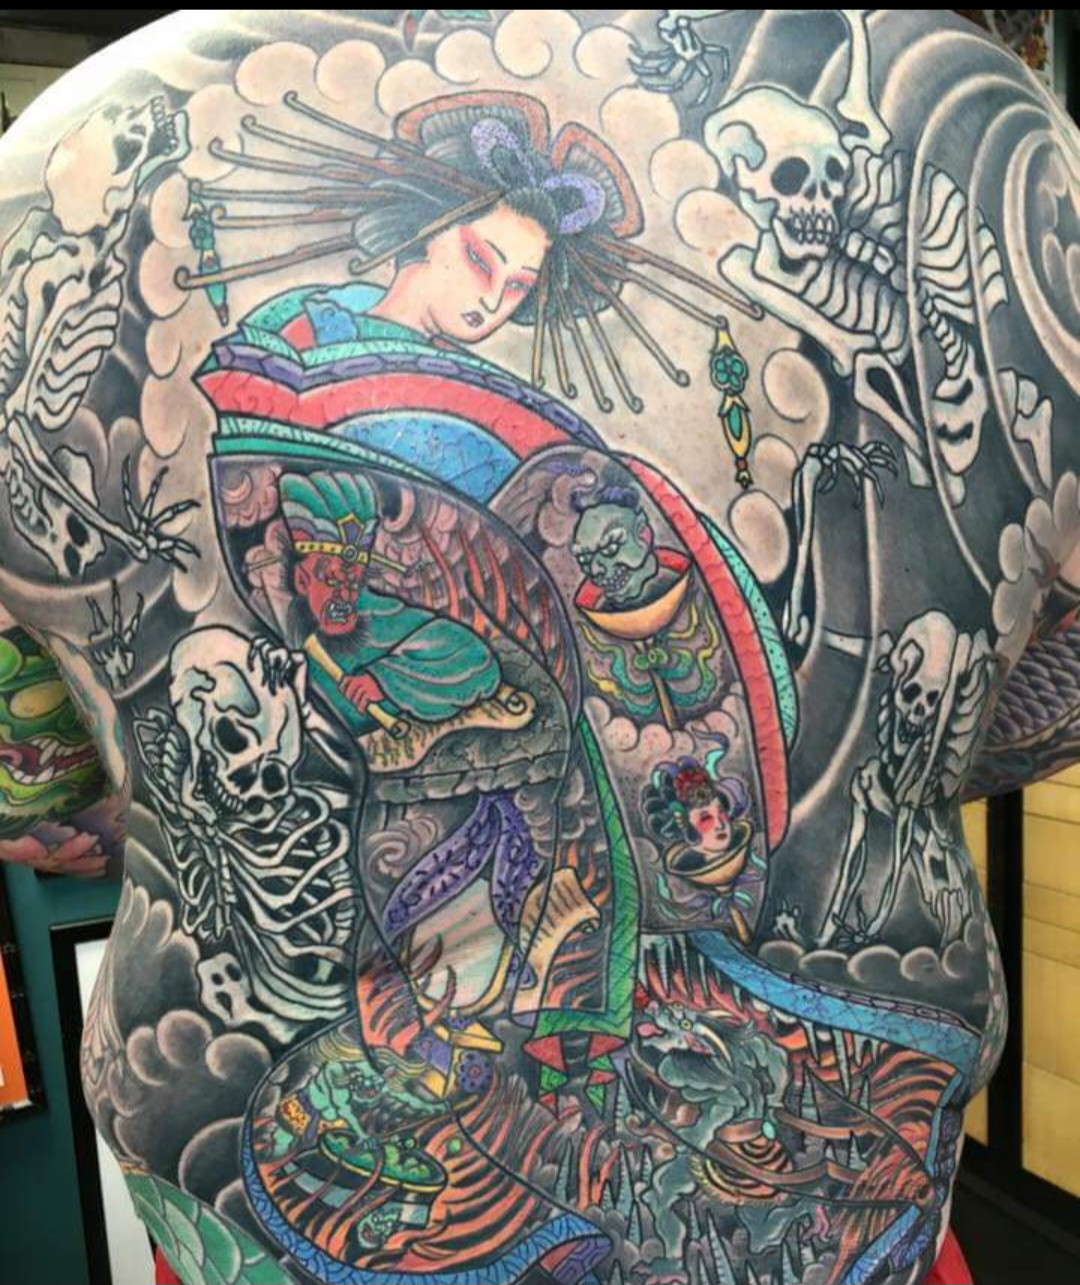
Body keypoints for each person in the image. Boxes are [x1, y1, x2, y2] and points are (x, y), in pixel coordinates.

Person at [0, 10, 1077, 1284]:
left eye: (516, 289)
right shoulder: (1013, 158)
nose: (491, 299)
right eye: (480, 260)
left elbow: (37, 791)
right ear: (416, 225)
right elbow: (1026, 715)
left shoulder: (46, 170)